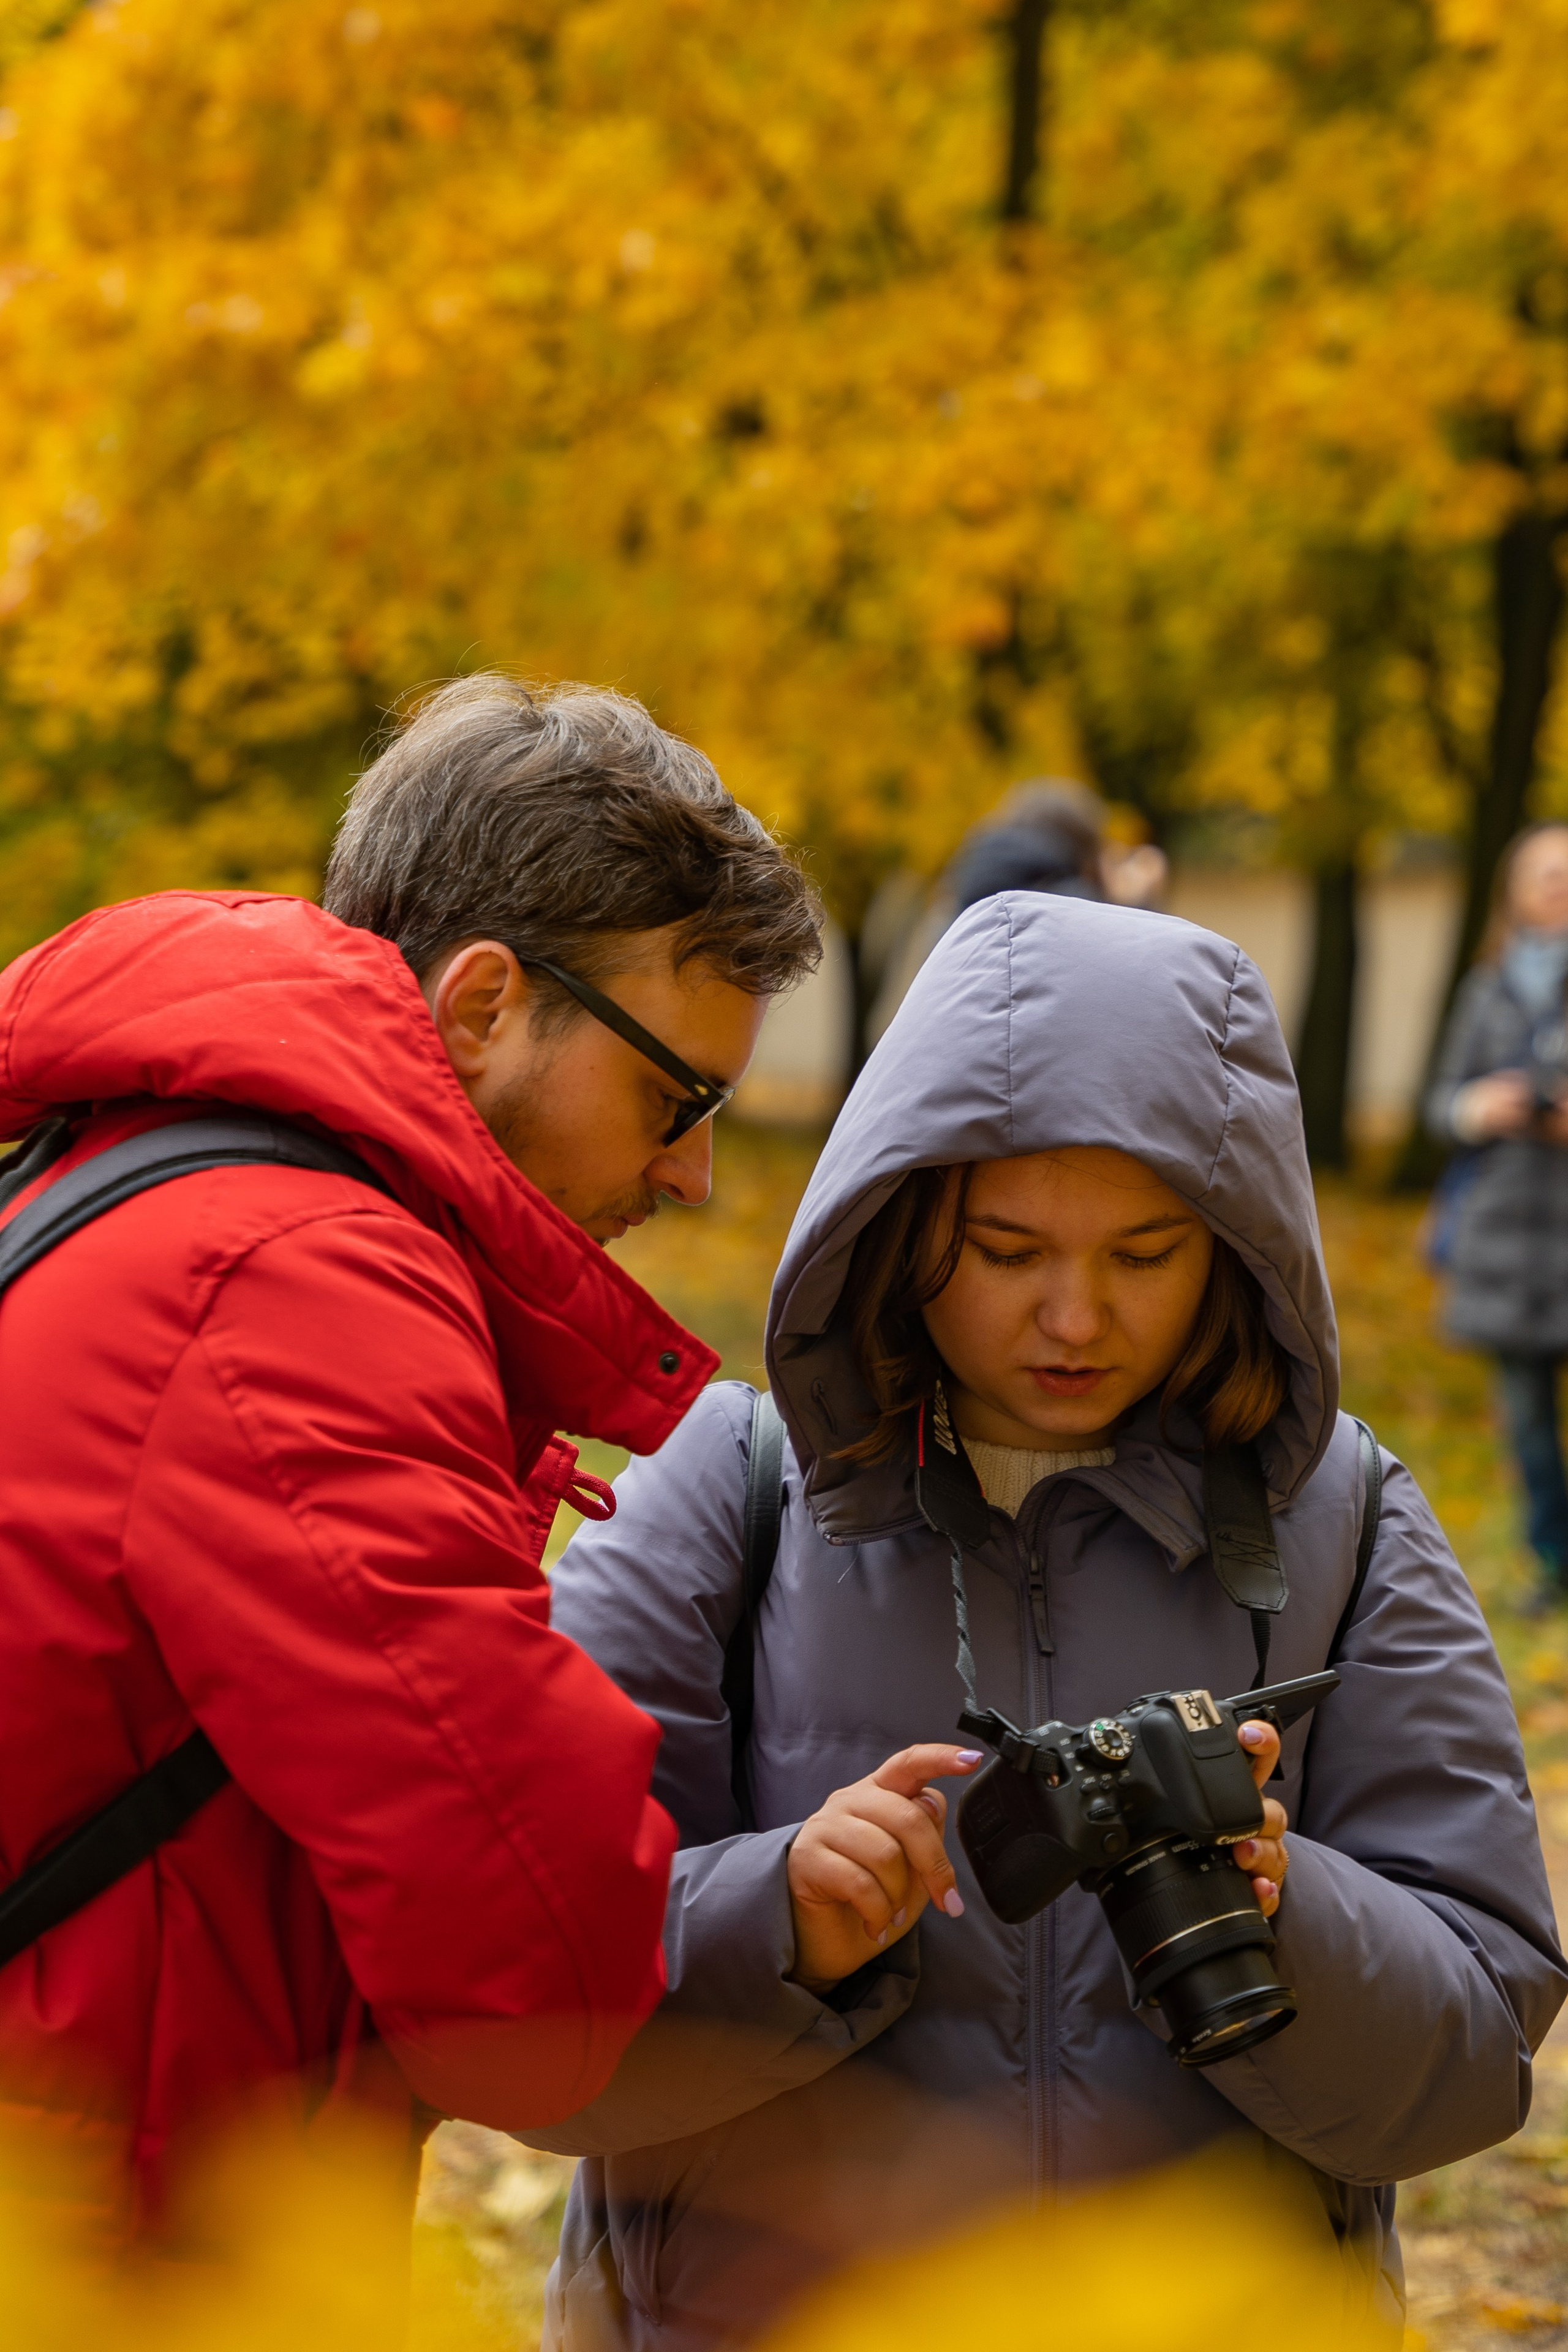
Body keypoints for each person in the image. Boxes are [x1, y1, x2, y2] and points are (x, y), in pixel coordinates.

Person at [530, 891, 1564, 2351]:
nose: (1074, 1319)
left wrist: (1283, 1910)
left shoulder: (1347, 1518)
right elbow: (513, 1990)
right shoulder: (730, 1488)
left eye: (1145, 1255)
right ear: (899, 1226)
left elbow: (1470, 2060)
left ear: (1236, 1245)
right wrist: (781, 1923)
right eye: (1007, 1251)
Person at [0, 674, 820, 2243]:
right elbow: (535, 1976)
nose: (697, 1173)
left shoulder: (152, 1172)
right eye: (673, 1094)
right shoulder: (296, 1285)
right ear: (484, 1003)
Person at [1427, 821, 1568, 1610]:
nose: (1559, 884)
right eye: (1545, 871)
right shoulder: (1487, 989)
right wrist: (1484, 1107)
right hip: (1508, 1242)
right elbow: (1440, 1105)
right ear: (1513, 889)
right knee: (1529, 1425)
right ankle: (1553, 1563)